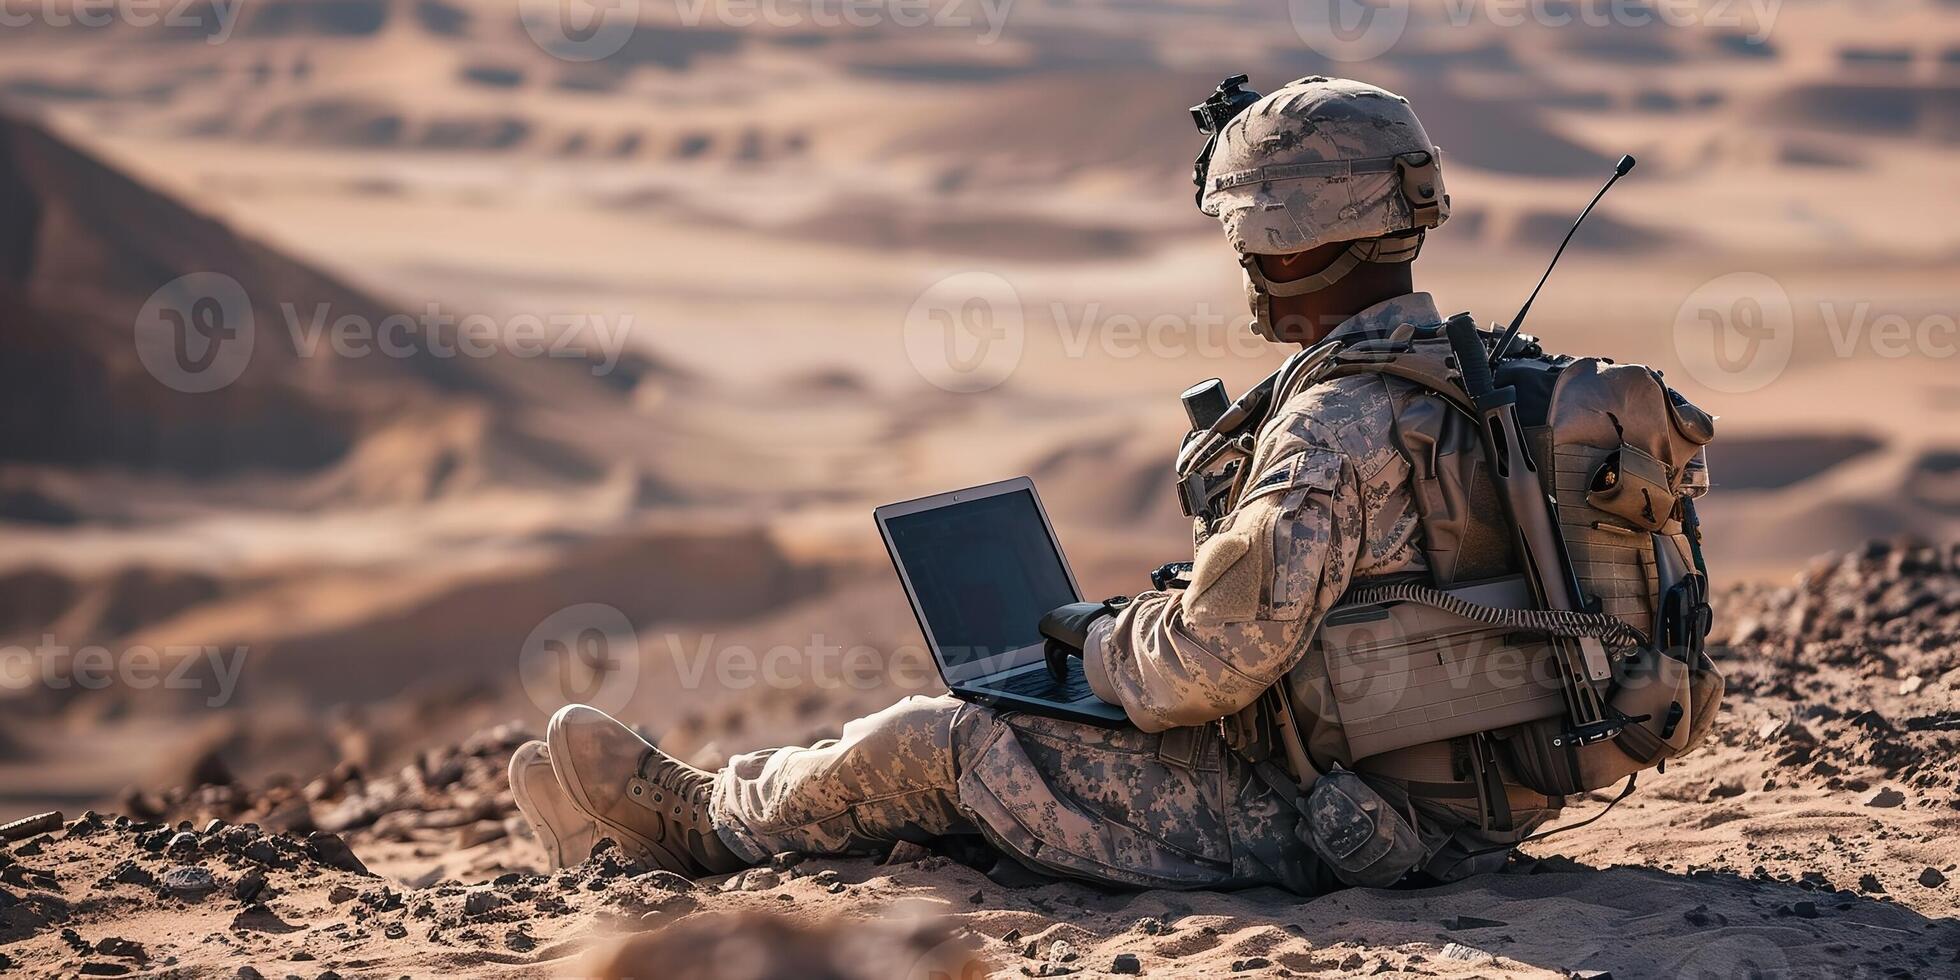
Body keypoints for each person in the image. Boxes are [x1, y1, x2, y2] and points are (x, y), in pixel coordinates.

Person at [507, 76, 1564, 892]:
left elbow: (1201, 667)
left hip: (1341, 824)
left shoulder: (1333, 428)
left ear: (1281, 242)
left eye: (1245, 237)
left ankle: (701, 822)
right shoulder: (1480, 381)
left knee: (948, 736)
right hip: (1462, 806)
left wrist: (1101, 640)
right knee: (1023, 744)